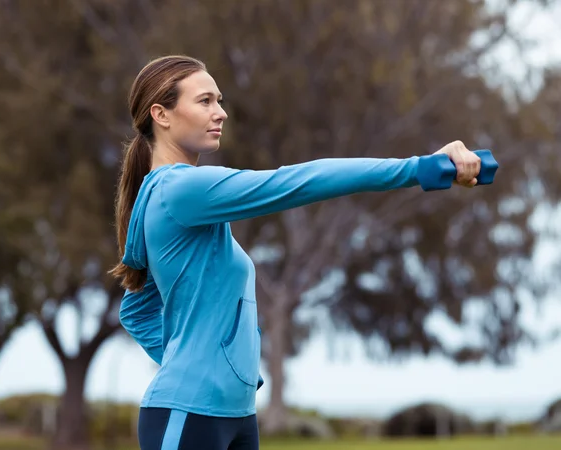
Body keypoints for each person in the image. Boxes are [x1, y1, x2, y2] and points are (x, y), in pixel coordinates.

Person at [110, 55, 482, 450]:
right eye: (204, 101)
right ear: (161, 115)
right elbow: (295, 182)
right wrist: (418, 168)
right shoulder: (179, 190)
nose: (220, 113)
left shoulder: (179, 197)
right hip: (188, 413)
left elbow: (135, 310)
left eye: (219, 100)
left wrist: (224, 363)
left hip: (235, 414)